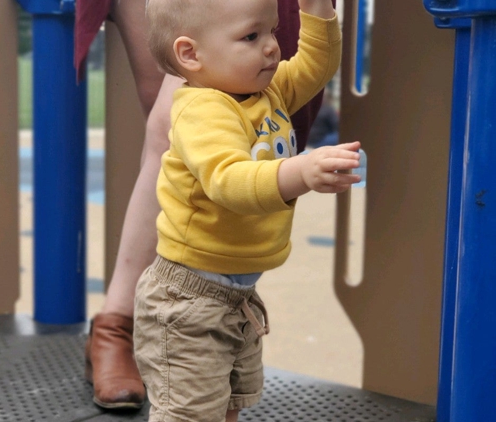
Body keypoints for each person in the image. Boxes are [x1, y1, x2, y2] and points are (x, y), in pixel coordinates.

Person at [75, 0, 336, 411]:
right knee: (189, 411)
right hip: (189, 302)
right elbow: (229, 181)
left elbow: (315, 67)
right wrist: (300, 172)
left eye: (271, 31)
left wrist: (318, 11)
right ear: (190, 54)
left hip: (236, 297)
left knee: (229, 405)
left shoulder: (265, 91)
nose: (272, 46)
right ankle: (114, 325)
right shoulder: (203, 112)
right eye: (252, 37)